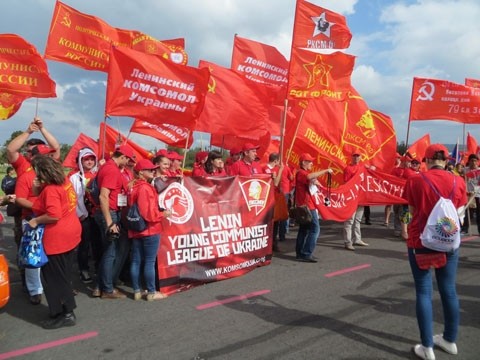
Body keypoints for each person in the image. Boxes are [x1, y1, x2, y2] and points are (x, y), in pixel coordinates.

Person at [402, 144, 466, 359]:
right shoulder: (459, 180)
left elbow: (411, 210)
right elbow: (459, 211)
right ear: (446, 161)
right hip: (449, 242)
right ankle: (449, 340)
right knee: (449, 290)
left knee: (423, 291)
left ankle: (427, 347)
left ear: (427, 160)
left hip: (421, 241)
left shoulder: (416, 180)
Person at [6, 117, 60, 305]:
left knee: (52, 253)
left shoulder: (49, 165)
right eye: (31, 151)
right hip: (31, 218)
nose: (35, 153)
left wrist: (43, 129)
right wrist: (28, 131)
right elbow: (11, 149)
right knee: (31, 255)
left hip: (49, 217)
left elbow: (56, 147)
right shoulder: (24, 168)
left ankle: (55, 285)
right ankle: (33, 289)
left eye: (38, 150)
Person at [29, 155, 81, 329]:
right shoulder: (64, 181)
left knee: (55, 278)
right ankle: (61, 310)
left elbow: (53, 214)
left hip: (57, 237)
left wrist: (36, 221)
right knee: (63, 274)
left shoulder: (51, 189)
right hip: (71, 231)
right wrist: (37, 192)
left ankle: (66, 313)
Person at [93, 145, 135, 299]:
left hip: (110, 211)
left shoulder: (109, 168)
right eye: (127, 159)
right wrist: (110, 222)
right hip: (110, 212)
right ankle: (107, 289)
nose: (128, 162)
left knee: (110, 251)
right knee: (110, 252)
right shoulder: (111, 170)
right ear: (122, 156)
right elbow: (103, 196)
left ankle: (100, 286)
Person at [128, 159, 171, 301]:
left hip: (135, 229)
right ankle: (151, 292)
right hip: (149, 229)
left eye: (153, 169)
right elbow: (149, 214)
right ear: (141, 172)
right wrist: (163, 214)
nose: (153, 171)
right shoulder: (145, 188)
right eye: (150, 170)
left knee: (135, 261)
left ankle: (136, 290)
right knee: (149, 261)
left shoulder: (132, 186)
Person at [69, 147, 101, 284]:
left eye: (92, 159)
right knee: (84, 245)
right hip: (83, 215)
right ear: (81, 161)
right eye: (86, 159)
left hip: (98, 214)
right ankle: (84, 270)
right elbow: (72, 198)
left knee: (98, 243)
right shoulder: (74, 177)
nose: (89, 162)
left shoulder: (99, 174)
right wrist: (80, 214)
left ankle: (99, 269)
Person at [295, 153, 332, 262]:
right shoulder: (302, 172)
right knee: (315, 229)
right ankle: (306, 253)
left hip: (304, 205)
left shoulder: (303, 173)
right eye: (310, 161)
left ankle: (300, 253)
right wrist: (325, 171)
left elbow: (310, 178)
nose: (312, 163)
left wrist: (315, 181)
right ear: (303, 163)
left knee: (304, 229)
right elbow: (309, 177)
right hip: (307, 206)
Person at [343, 153, 370, 251]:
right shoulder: (348, 168)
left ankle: (357, 239)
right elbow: (346, 183)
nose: (356, 158)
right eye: (354, 156)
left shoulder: (363, 167)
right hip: (352, 197)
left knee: (358, 220)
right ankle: (348, 241)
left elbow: (372, 171)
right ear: (351, 157)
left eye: (358, 156)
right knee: (349, 221)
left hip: (361, 197)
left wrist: (372, 168)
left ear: (361, 157)